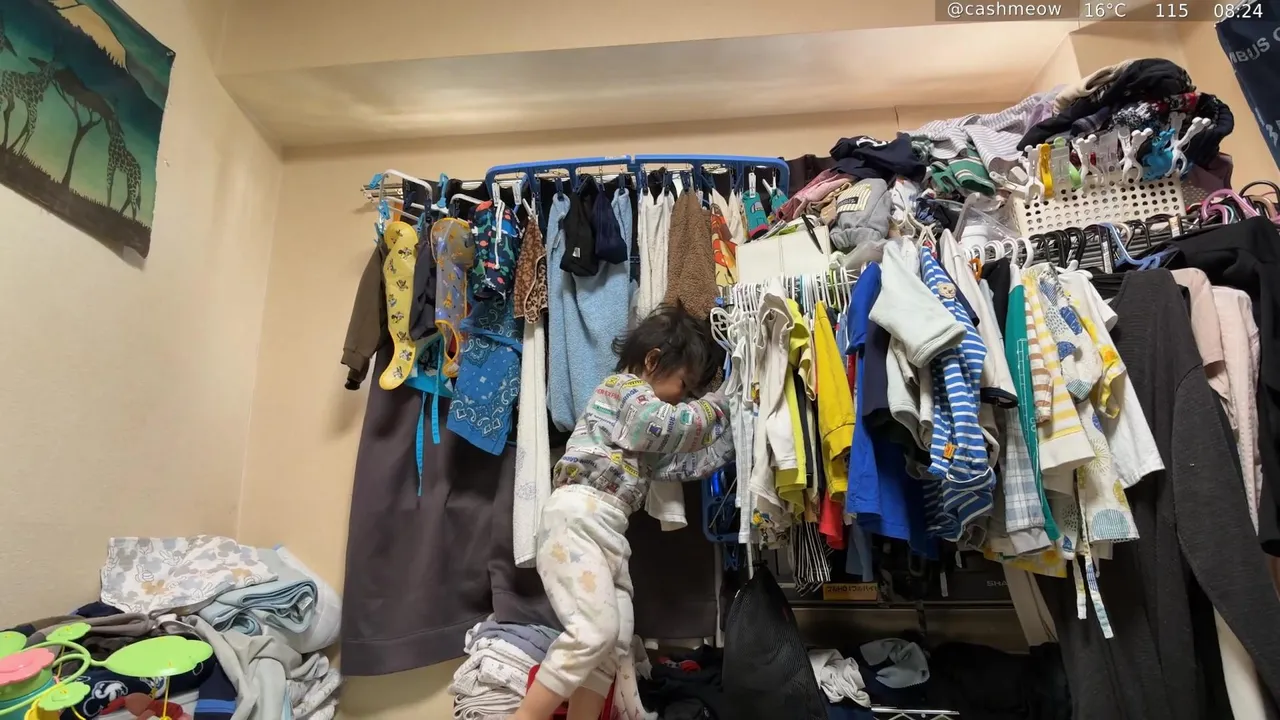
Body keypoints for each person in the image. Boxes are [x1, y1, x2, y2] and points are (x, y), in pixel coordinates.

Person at [512, 304, 735, 720]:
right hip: (577, 518)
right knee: (592, 634)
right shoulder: (624, 391)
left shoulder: (642, 430)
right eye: (684, 385)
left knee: (613, 644)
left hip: (608, 533)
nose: (684, 397)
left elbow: (686, 462)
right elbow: (669, 424)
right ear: (652, 361)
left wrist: (735, 429)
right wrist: (719, 403)